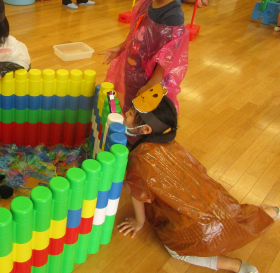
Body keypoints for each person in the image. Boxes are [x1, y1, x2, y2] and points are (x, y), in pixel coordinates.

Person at [117, 84, 278, 273]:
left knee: (177, 252)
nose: (124, 115)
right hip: (227, 211)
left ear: (145, 130)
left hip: (198, 231)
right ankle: (274, 211)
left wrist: (139, 222)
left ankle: (237, 266)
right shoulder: (171, 144)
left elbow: (138, 193)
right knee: (246, 217)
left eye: (128, 114)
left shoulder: (139, 159)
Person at [101, 0, 195, 114]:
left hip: (148, 83)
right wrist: (122, 47)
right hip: (133, 71)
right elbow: (138, 33)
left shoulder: (173, 18)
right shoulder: (147, 3)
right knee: (127, 109)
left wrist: (151, 85)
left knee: (140, 116)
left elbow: (167, 59)